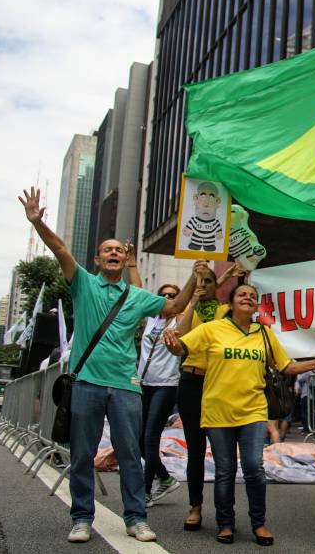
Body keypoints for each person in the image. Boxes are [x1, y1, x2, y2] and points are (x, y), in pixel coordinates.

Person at [18, 187, 202, 544]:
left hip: (126, 386)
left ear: (124, 258)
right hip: (86, 383)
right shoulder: (82, 284)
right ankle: (81, 518)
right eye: (108, 250)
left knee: (131, 455)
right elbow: (60, 249)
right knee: (83, 454)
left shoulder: (137, 297)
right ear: (98, 260)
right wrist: (38, 222)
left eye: (119, 249)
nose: (114, 253)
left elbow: (174, 309)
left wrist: (195, 277)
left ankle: (136, 518)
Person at [163, 284, 315, 546]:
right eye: (242, 294)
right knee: (226, 470)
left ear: (256, 306)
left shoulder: (263, 333)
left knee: (254, 467)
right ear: (231, 302)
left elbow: (286, 366)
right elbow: (181, 349)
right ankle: (225, 523)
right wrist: (171, 343)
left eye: (252, 296)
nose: (248, 298)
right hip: (217, 412)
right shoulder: (211, 329)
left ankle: (258, 523)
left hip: (253, 411)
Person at [170, 264, 239, 531]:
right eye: (199, 281)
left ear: (216, 285)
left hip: (218, 384)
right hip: (190, 383)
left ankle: (226, 512)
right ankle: (195, 507)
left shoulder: (225, 312)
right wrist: (194, 298)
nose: (204, 285)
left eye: (209, 281)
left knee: (224, 452)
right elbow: (182, 335)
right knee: (195, 449)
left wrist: (225, 278)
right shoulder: (189, 310)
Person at [138, 283, 183, 509]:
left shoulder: (181, 321)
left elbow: (191, 300)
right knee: (138, 440)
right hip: (143, 384)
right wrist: (133, 265)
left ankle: (145, 491)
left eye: (172, 295)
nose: (166, 298)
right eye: (162, 295)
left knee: (150, 437)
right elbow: (138, 288)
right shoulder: (150, 319)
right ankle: (164, 477)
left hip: (166, 385)